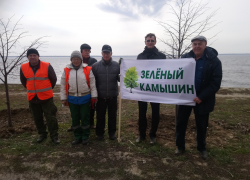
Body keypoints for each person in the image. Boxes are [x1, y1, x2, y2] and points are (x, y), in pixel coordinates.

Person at [175, 35, 222, 160]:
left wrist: (201, 97)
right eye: (194, 44)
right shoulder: (185, 58)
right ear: (192, 45)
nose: (197, 46)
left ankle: (201, 148)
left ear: (205, 44)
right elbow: (175, 74)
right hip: (185, 97)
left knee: (201, 125)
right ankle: (180, 146)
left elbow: (215, 83)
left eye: (199, 44)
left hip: (203, 99)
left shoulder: (214, 61)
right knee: (180, 123)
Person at [20, 48, 60, 144]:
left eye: (34, 55)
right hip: (32, 98)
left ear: (38, 56)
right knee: (37, 117)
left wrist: (47, 89)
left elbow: (53, 79)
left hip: (46, 97)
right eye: (30, 55)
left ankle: (54, 136)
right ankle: (42, 134)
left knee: (51, 117)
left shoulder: (46, 66)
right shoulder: (23, 67)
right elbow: (23, 81)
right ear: (28, 57)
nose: (32, 57)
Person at [60, 50, 97, 145]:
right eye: (74, 59)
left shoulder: (88, 69)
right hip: (72, 98)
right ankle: (77, 137)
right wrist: (63, 98)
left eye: (77, 59)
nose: (76, 61)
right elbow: (63, 85)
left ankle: (85, 136)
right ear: (71, 60)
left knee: (85, 117)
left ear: (81, 59)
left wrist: (94, 96)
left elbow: (92, 84)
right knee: (75, 118)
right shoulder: (66, 70)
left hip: (85, 97)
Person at [136, 33, 166, 144]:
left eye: (152, 40)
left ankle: (153, 135)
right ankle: (141, 134)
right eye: (148, 40)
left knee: (155, 113)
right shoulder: (140, 56)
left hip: (155, 88)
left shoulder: (162, 56)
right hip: (142, 88)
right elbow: (137, 71)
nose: (150, 42)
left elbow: (166, 71)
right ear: (145, 42)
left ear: (155, 42)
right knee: (142, 113)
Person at [92, 45, 120, 140]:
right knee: (100, 116)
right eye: (104, 53)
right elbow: (92, 81)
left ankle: (112, 133)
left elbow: (121, 79)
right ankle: (100, 133)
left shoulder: (117, 65)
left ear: (111, 53)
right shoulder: (95, 66)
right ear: (101, 53)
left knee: (112, 116)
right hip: (100, 96)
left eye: (108, 53)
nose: (106, 54)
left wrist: (125, 70)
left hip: (113, 96)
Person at [67, 44, 97, 132]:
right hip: (76, 90)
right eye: (85, 50)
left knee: (91, 108)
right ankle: (75, 125)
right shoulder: (76, 61)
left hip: (90, 88)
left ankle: (91, 123)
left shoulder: (94, 61)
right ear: (81, 52)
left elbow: (96, 74)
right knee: (75, 111)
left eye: (89, 51)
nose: (87, 52)